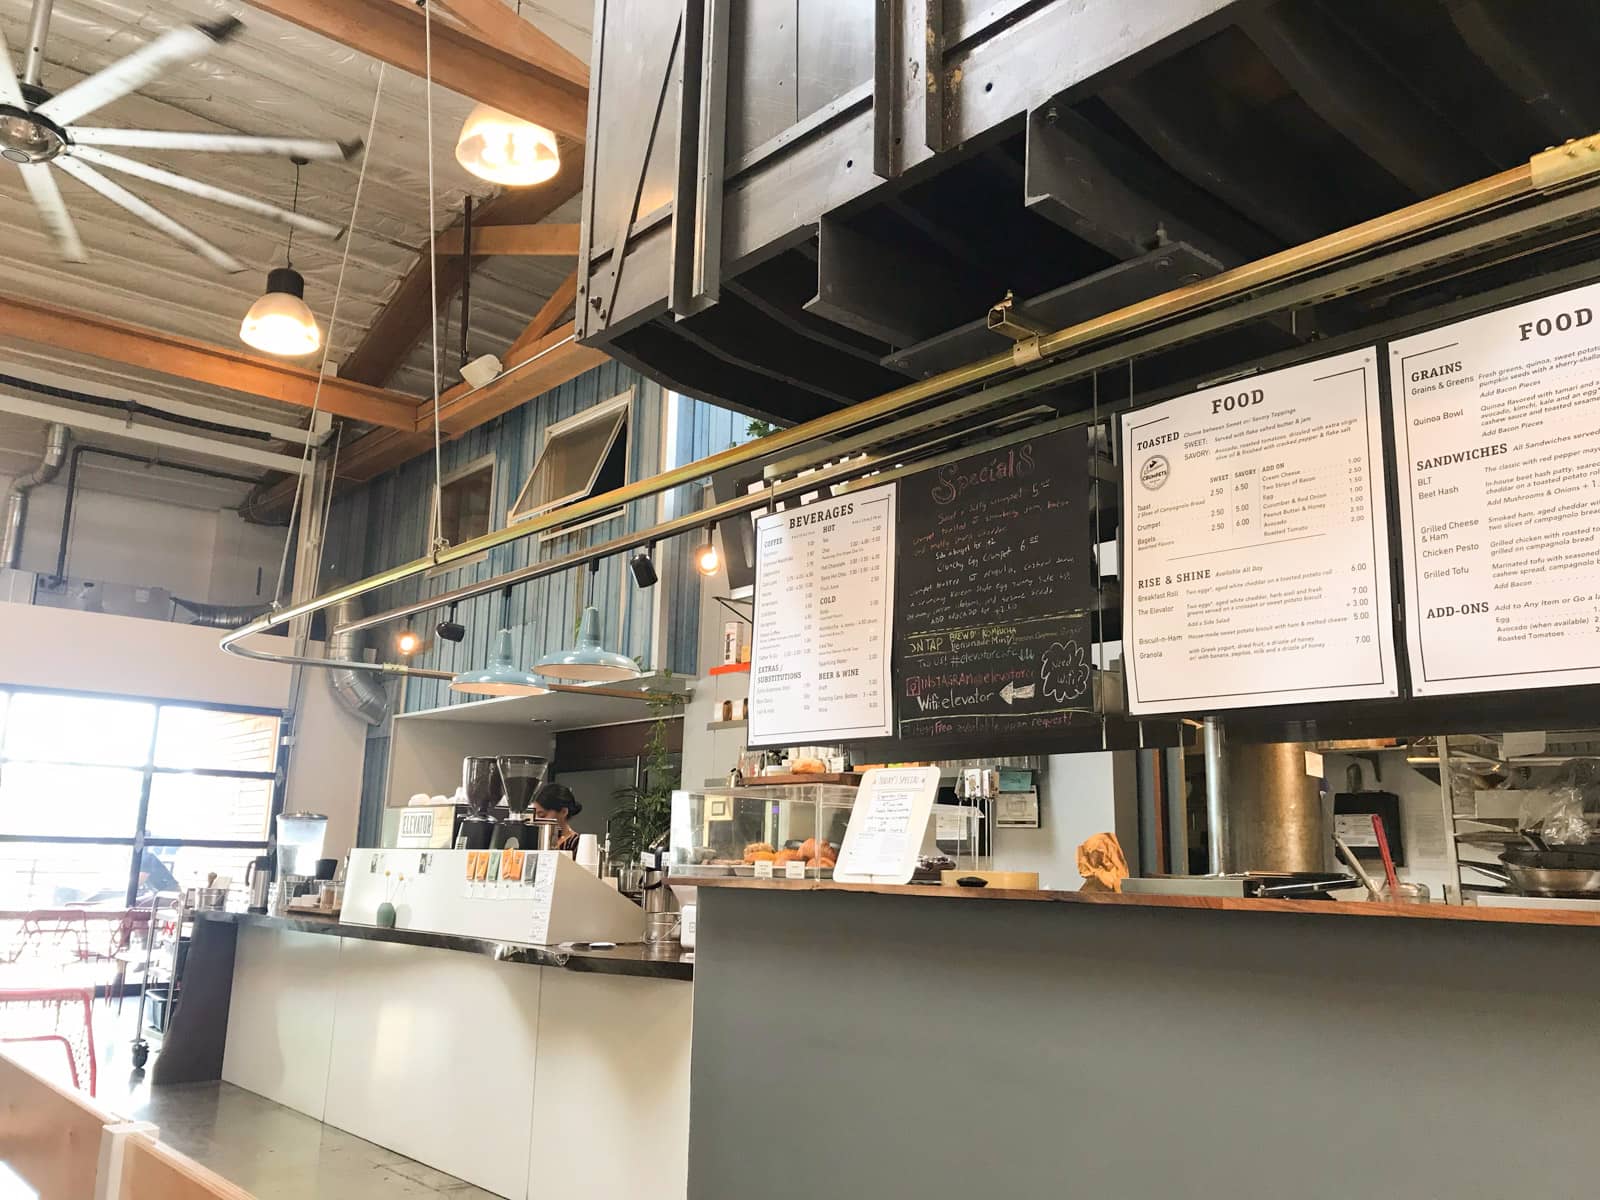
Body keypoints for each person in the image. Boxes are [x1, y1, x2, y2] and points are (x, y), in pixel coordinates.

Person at [531, 781, 583, 853]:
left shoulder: (577, 844)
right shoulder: (536, 841)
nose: (537, 820)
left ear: (564, 812)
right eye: (535, 815)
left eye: (542, 815)